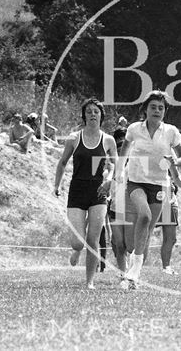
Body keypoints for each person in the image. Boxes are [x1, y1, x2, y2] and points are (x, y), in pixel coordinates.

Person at [115, 90, 181, 290]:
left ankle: (134, 274)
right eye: (153, 107)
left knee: (144, 238)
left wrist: (174, 161)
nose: (157, 110)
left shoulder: (171, 132)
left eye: (161, 108)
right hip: (136, 182)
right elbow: (124, 152)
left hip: (160, 185)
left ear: (165, 111)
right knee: (144, 217)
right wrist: (119, 173)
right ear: (145, 109)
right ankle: (134, 269)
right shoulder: (134, 129)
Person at [54, 98, 116, 289]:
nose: (92, 114)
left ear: (101, 116)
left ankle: (89, 282)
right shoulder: (74, 138)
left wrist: (110, 179)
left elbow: (115, 164)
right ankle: (76, 250)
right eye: (88, 111)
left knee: (93, 239)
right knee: (78, 242)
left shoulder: (108, 140)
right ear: (84, 116)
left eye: (96, 111)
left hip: (98, 190)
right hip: (77, 190)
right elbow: (63, 162)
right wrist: (56, 186)